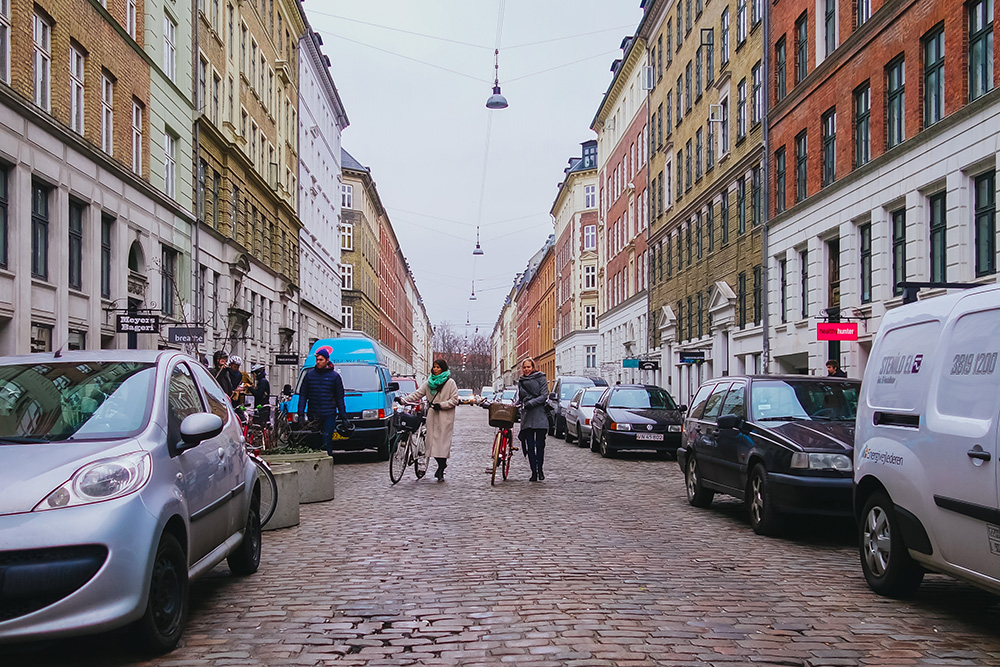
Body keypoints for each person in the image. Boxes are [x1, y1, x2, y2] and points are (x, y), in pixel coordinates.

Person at [397, 358, 459, 480]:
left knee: (442, 444)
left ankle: (441, 469)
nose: (435, 369)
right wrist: (403, 400)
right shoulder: (429, 382)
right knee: (431, 445)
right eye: (434, 367)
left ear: (443, 369)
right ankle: (441, 465)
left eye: (438, 367)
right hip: (432, 416)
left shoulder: (450, 383)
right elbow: (417, 394)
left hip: (445, 417)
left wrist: (442, 405)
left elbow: (454, 400)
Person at [298, 348, 347, 456]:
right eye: (317, 360)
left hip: (329, 414)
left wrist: (344, 417)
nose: (318, 362)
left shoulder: (335, 377)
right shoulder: (309, 375)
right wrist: (300, 413)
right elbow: (303, 395)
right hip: (314, 414)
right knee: (315, 441)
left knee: (326, 440)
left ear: (327, 360)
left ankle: (327, 463)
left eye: (321, 360)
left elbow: (340, 398)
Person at [517, 358, 549, 481]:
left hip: (539, 416)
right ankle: (533, 472)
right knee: (530, 446)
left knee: (540, 446)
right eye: (524, 367)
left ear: (533, 367)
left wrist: (531, 403)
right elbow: (520, 398)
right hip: (527, 418)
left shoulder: (541, 378)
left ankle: (540, 469)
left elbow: (543, 396)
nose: (526, 370)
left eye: (528, 367)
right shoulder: (521, 381)